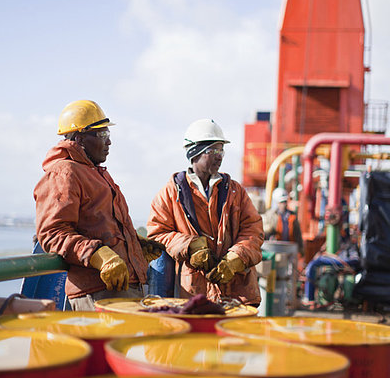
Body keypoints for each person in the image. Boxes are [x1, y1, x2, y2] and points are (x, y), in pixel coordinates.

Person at [34, 99, 163, 311]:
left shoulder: (96, 173)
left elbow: (98, 224)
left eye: (108, 134)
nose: (109, 141)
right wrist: (99, 255)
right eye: (102, 134)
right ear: (79, 138)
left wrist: (133, 245)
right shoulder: (65, 172)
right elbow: (52, 232)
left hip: (120, 287)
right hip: (98, 292)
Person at [147, 119, 264, 305]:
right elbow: (157, 233)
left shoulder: (235, 191)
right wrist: (189, 245)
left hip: (237, 294)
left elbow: (253, 229)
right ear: (194, 153)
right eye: (213, 151)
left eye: (221, 150)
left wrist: (236, 258)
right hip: (194, 293)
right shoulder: (170, 193)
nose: (220, 156)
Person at [262, 187, 304, 255]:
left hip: (289, 249)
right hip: (275, 249)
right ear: (276, 202)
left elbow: (297, 233)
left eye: (284, 202)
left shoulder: (292, 216)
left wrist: (301, 248)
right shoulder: (271, 215)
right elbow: (265, 233)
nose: (283, 204)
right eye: (281, 202)